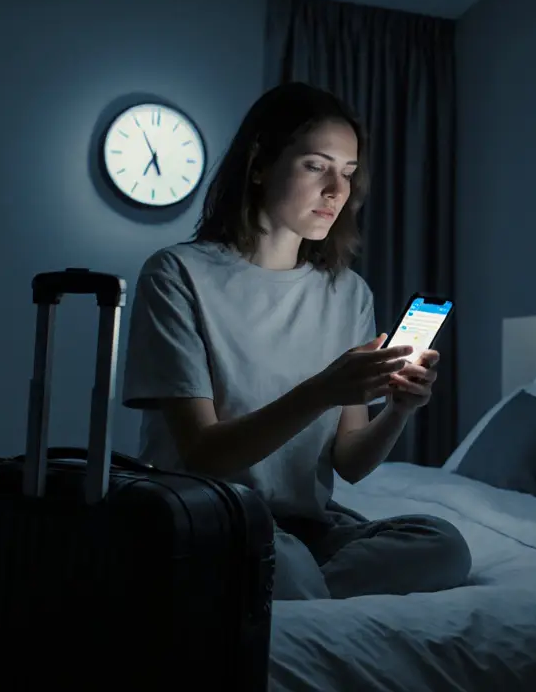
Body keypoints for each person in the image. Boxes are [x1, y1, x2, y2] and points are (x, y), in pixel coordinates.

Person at [121, 82, 472, 600]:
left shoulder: (348, 292)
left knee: (442, 545)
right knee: (277, 558)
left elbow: (350, 464)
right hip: (213, 515)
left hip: (306, 527)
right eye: (316, 166)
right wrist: (323, 391)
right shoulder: (177, 274)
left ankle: (298, 590)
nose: (337, 190)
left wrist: (399, 408)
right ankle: (291, 585)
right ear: (259, 164)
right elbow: (203, 455)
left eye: (349, 173)